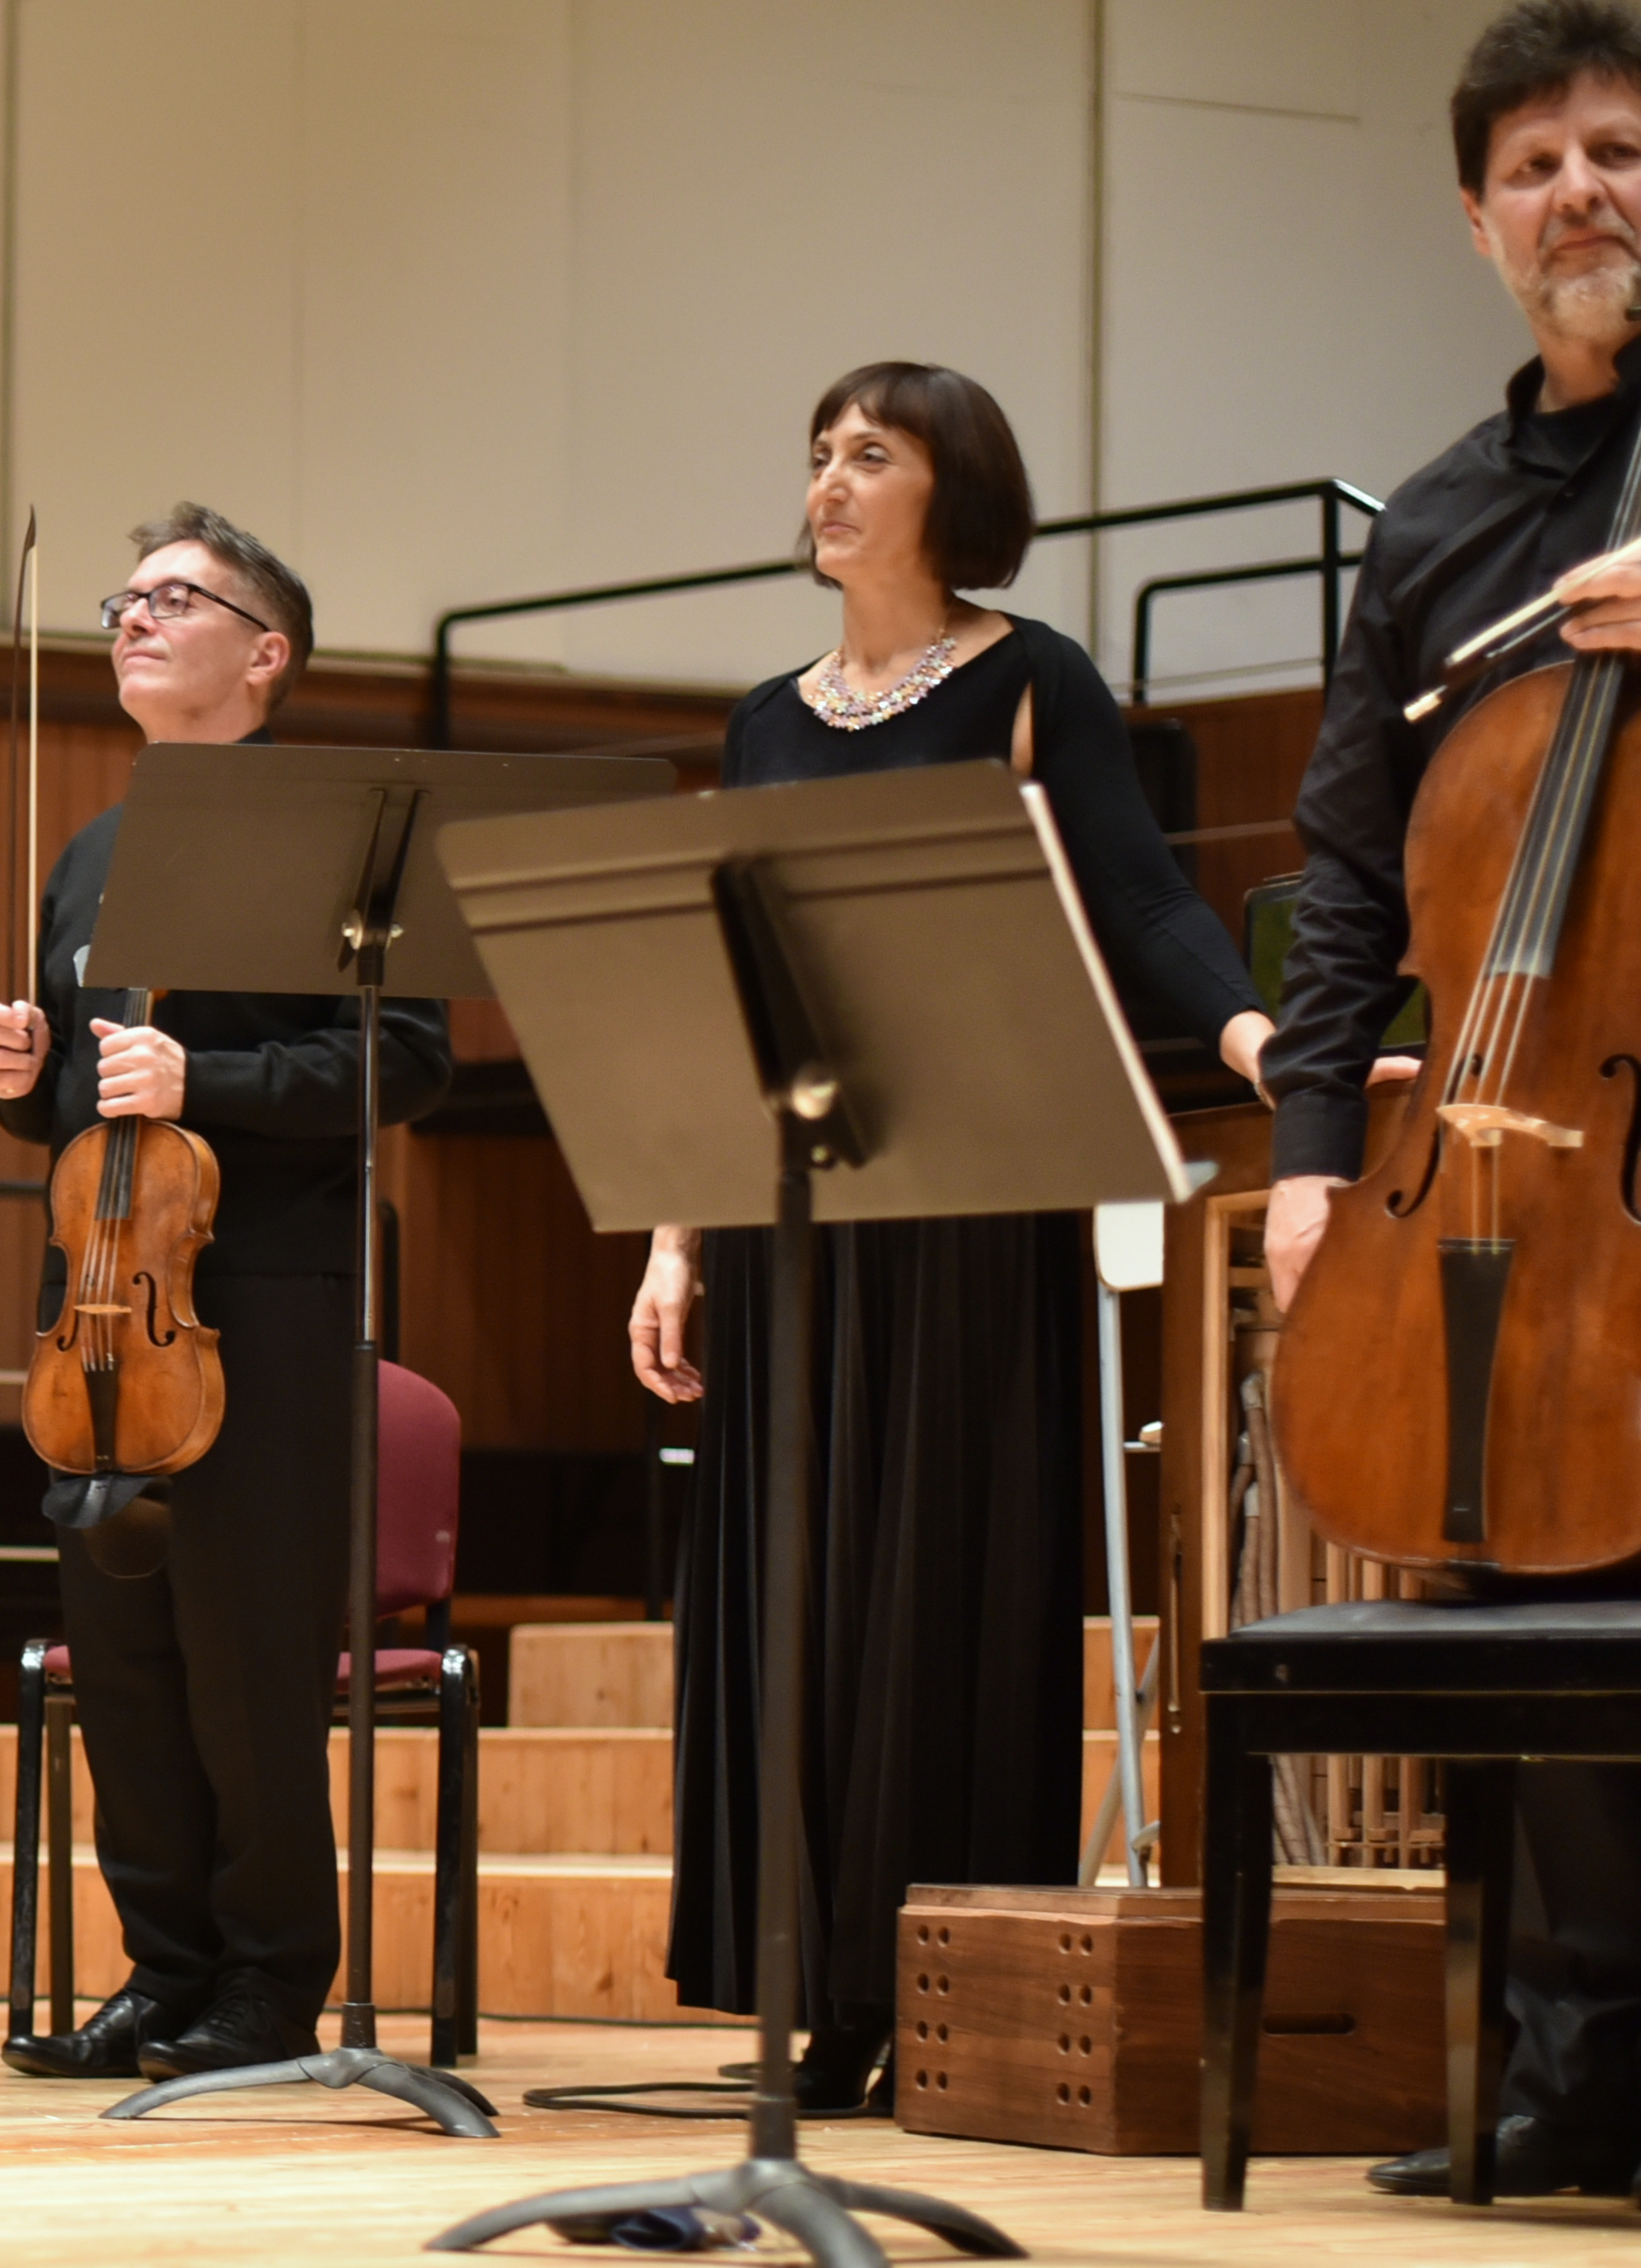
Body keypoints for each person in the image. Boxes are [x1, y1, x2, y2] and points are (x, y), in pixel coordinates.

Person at [1263, 2, 1641, 2216]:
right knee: (1511, 1572)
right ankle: (1551, 2066)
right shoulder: (1444, 523)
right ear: (1476, 223)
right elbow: (1354, 869)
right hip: (1506, 1135)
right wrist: (1306, 1168)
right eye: (1533, 167)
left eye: (1616, 152)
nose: (1579, 192)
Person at [619, 362, 1269, 2109]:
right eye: (818, 454)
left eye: (869, 454)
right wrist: (675, 1233)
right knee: (797, 1582)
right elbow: (734, 989)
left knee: (935, 1569)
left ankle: (930, 1969)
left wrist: (1248, 1035)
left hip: (977, 1193)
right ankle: (805, 1983)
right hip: (794, 1209)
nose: (827, 482)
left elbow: (1138, 893)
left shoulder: (1032, 675)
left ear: (949, 488)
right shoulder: (762, 718)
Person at [0, 505, 452, 2081]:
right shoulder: (91, 848)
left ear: (265, 653)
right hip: (101, 1301)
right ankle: (161, 1971)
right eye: (125, 597)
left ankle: (262, 1987)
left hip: (263, 1294)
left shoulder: (341, 828)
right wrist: (17, 1082)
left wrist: (212, 1077)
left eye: (175, 598)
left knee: (244, 1661)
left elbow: (407, 1062)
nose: (132, 617)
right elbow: (82, 1107)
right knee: (125, 1661)